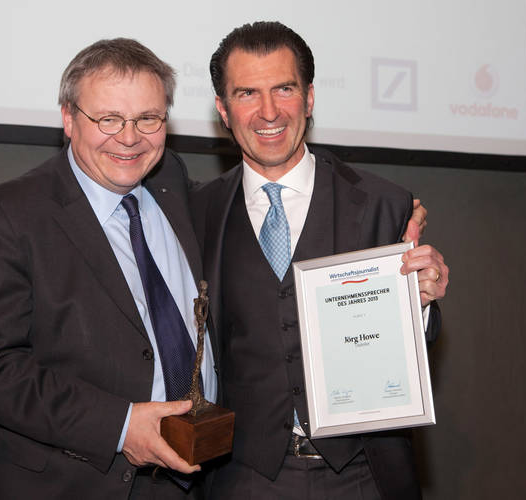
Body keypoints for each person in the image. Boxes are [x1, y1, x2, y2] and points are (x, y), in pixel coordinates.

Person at [0, 38, 218, 499]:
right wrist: (120, 426)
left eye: (148, 118)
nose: (129, 138)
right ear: (69, 118)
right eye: (108, 119)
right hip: (66, 484)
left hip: (190, 481)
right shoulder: (7, 215)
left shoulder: (172, 184)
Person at [190, 21, 449, 499]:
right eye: (247, 94)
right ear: (223, 110)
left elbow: (416, 343)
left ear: (308, 98)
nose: (269, 111)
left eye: (284, 89)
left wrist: (421, 302)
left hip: (363, 475)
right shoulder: (197, 213)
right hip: (243, 477)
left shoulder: (382, 203)